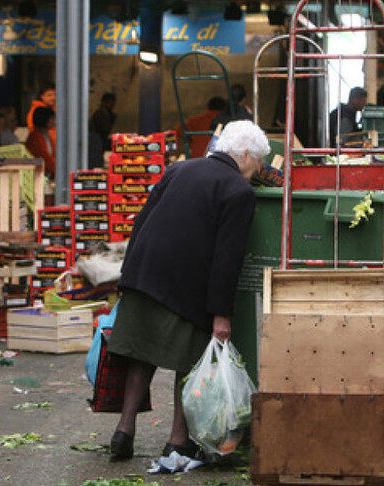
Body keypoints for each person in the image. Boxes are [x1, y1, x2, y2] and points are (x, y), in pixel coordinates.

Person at [106, 120, 270, 461]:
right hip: (186, 285)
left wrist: (128, 276)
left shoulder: (179, 169)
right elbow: (228, 259)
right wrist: (221, 315)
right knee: (189, 363)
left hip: (143, 273)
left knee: (141, 354)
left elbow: (141, 221)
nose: (258, 171)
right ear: (244, 155)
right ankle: (178, 441)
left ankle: (124, 431)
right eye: (258, 163)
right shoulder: (239, 192)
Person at [24, 107, 56, 177]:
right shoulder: (35, 137)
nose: (55, 121)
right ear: (44, 120)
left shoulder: (45, 134)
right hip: (36, 174)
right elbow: (45, 158)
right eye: (52, 119)